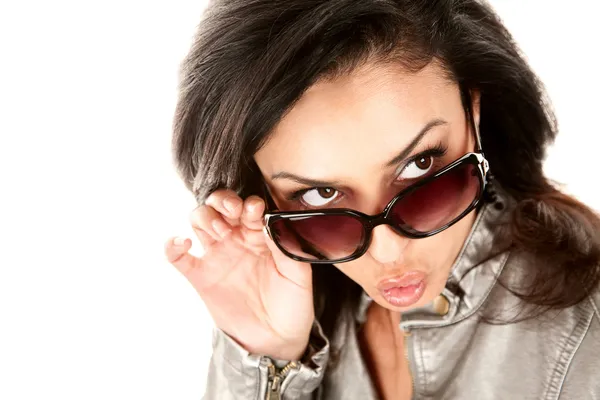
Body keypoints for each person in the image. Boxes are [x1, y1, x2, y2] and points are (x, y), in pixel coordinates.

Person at [164, 0, 600, 398]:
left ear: (474, 110)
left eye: (420, 166)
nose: (389, 250)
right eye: (321, 195)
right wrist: (269, 361)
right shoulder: (299, 310)